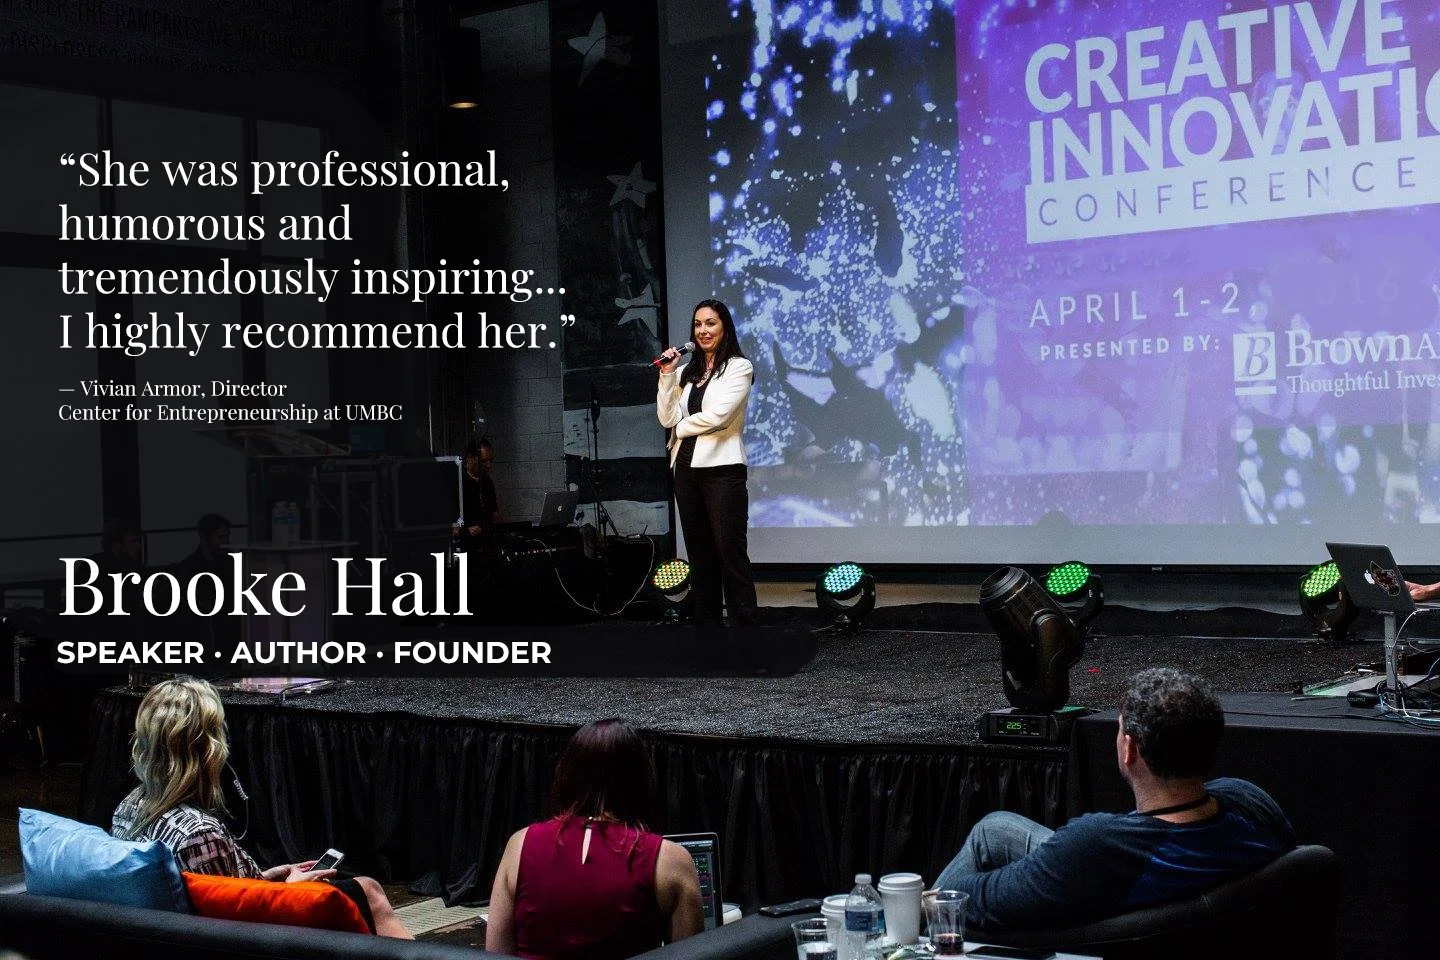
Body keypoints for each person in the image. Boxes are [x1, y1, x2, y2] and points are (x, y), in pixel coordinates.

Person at [934, 668, 1295, 934]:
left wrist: (919, 899)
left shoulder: (1096, 847)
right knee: (994, 831)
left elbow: (957, 900)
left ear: (1130, 749)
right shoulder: (1249, 803)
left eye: (1120, 729)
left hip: (1113, 893)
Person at [111, 677, 412, 939]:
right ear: (209, 749)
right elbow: (235, 923)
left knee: (359, 886)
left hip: (175, 929)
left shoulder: (130, 806)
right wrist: (289, 888)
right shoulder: (199, 834)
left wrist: (268, 877)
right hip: (256, 934)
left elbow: (222, 891)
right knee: (369, 890)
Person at [485, 718, 703, 960]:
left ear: (566, 774)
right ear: (642, 779)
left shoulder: (519, 845)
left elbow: (494, 955)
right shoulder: (672, 860)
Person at [656, 299, 759, 626]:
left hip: (722, 471)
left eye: (710, 323)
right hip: (685, 470)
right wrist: (667, 376)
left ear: (724, 327)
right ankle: (708, 637)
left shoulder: (739, 367)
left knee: (730, 555)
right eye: (698, 324)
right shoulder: (687, 372)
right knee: (700, 558)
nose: (703, 330)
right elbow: (666, 418)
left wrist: (681, 428)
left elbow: (719, 417)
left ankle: (747, 637)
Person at [459, 439, 501, 543]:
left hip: (485, 539)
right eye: (484, 461)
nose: (488, 465)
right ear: (471, 459)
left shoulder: (487, 482)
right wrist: (466, 530)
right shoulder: (458, 483)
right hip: (464, 542)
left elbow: (494, 514)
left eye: (490, 460)